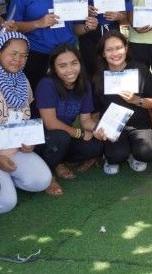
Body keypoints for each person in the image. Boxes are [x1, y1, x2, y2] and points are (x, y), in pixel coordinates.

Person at [0, 32, 52, 214]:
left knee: (42, 181)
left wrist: (29, 142)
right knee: (4, 204)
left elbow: (26, 118)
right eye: (13, 53)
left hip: (14, 149)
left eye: (24, 55)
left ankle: (6, 178)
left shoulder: (22, 79)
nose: (18, 60)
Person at [35, 45, 104, 196]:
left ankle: (59, 161)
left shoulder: (83, 84)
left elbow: (85, 119)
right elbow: (50, 123)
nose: (70, 70)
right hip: (42, 139)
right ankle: (49, 174)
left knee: (96, 146)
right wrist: (79, 133)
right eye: (62, 66)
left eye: (74, 63)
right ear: (54, 68)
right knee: (61, 136)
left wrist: (100, 128)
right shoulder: (47, 84)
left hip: (64, 137)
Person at [91, 31, 152, 175]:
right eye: (109, 50)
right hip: (113, 127)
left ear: (126, 48)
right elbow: (95, 111)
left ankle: (133, 152)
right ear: (103, 54)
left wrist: (137, 100)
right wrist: (97, 128)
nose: (115, 53)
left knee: (147, 152)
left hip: (139, 126)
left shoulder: (141, 70)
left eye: (119, 48)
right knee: (116, 155)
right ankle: (120, 153)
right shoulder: (98, 77)